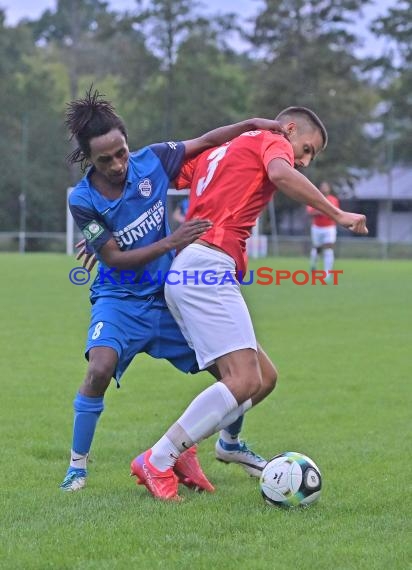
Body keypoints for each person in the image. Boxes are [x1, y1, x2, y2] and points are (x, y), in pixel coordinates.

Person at [131, 106, 368, 501]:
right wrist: (337, 212)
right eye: (307, 149)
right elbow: (279, 173)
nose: (305, 161)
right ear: (290, 129)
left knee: (264, 377)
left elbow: (160, 176)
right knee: (243, 380)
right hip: (206, 264)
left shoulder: (220, 151)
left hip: (194, 267)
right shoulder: (272, 139)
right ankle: (159, 459)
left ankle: (227, 444)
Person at [60, 87, 287, 492]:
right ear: (87, 159)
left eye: (121, 152)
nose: (117, 164)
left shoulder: (152, 160)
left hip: (167, 297)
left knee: (239, 375)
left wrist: (251, 125)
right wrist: (171, 241)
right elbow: (112, 258)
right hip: (120, 300)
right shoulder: (83, 199)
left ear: (128, 143)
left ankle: (210, 445)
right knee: (98, 369)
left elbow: (207, 140)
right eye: (105, 159)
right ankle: (77, 468)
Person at [306, 181, 340, 280]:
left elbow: (336, 213)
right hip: (317, 228)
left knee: (329, 248)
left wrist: (324, 211)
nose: (324, 188)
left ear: (329, 189)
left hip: (329, 228)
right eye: (323, 187)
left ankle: (327, 274)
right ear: (319, 188)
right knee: (317, 249)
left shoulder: (333, 200)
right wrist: (323, 211)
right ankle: (313, 264)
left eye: (326, 187)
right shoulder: (314, 198)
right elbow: (310, 213)